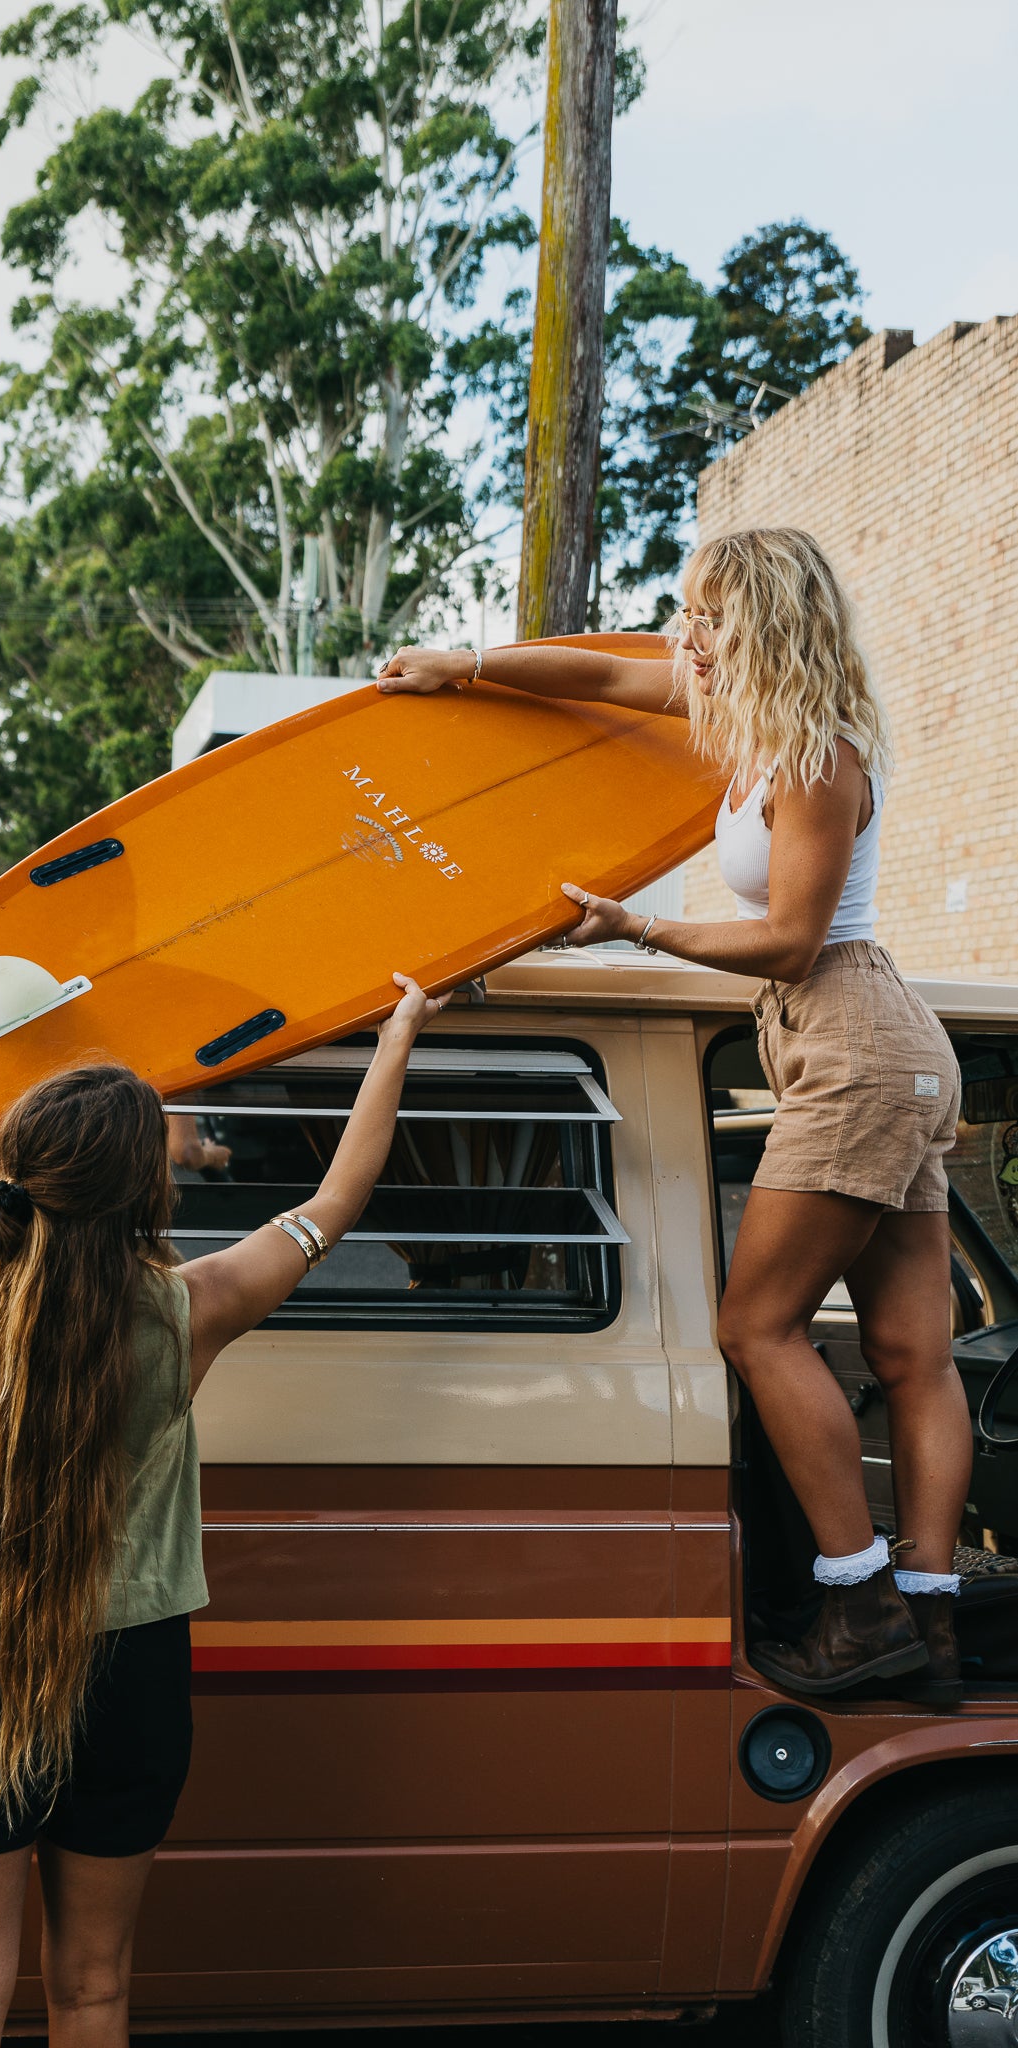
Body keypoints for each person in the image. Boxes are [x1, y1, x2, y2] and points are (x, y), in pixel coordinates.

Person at [0, 971, 444, 2048]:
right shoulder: (192, 1307)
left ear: (12, 1171)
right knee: (93, 1989)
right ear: (147, 1186)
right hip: (129, 1677)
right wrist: (398, 1034)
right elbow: (338, 1198)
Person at [377, 525, 968, 1701]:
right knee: (910, 1350)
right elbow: (600, 674)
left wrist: (638, 928)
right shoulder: (744, 718)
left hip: (849, 1035)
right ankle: (931, 1624)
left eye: (705, 615)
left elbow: (791, 940)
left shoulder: (815, 757)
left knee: (755, 1327)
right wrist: (469, 666)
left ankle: (861, 1603)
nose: (683, 633)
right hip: (872, 1044)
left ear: (762, 619)